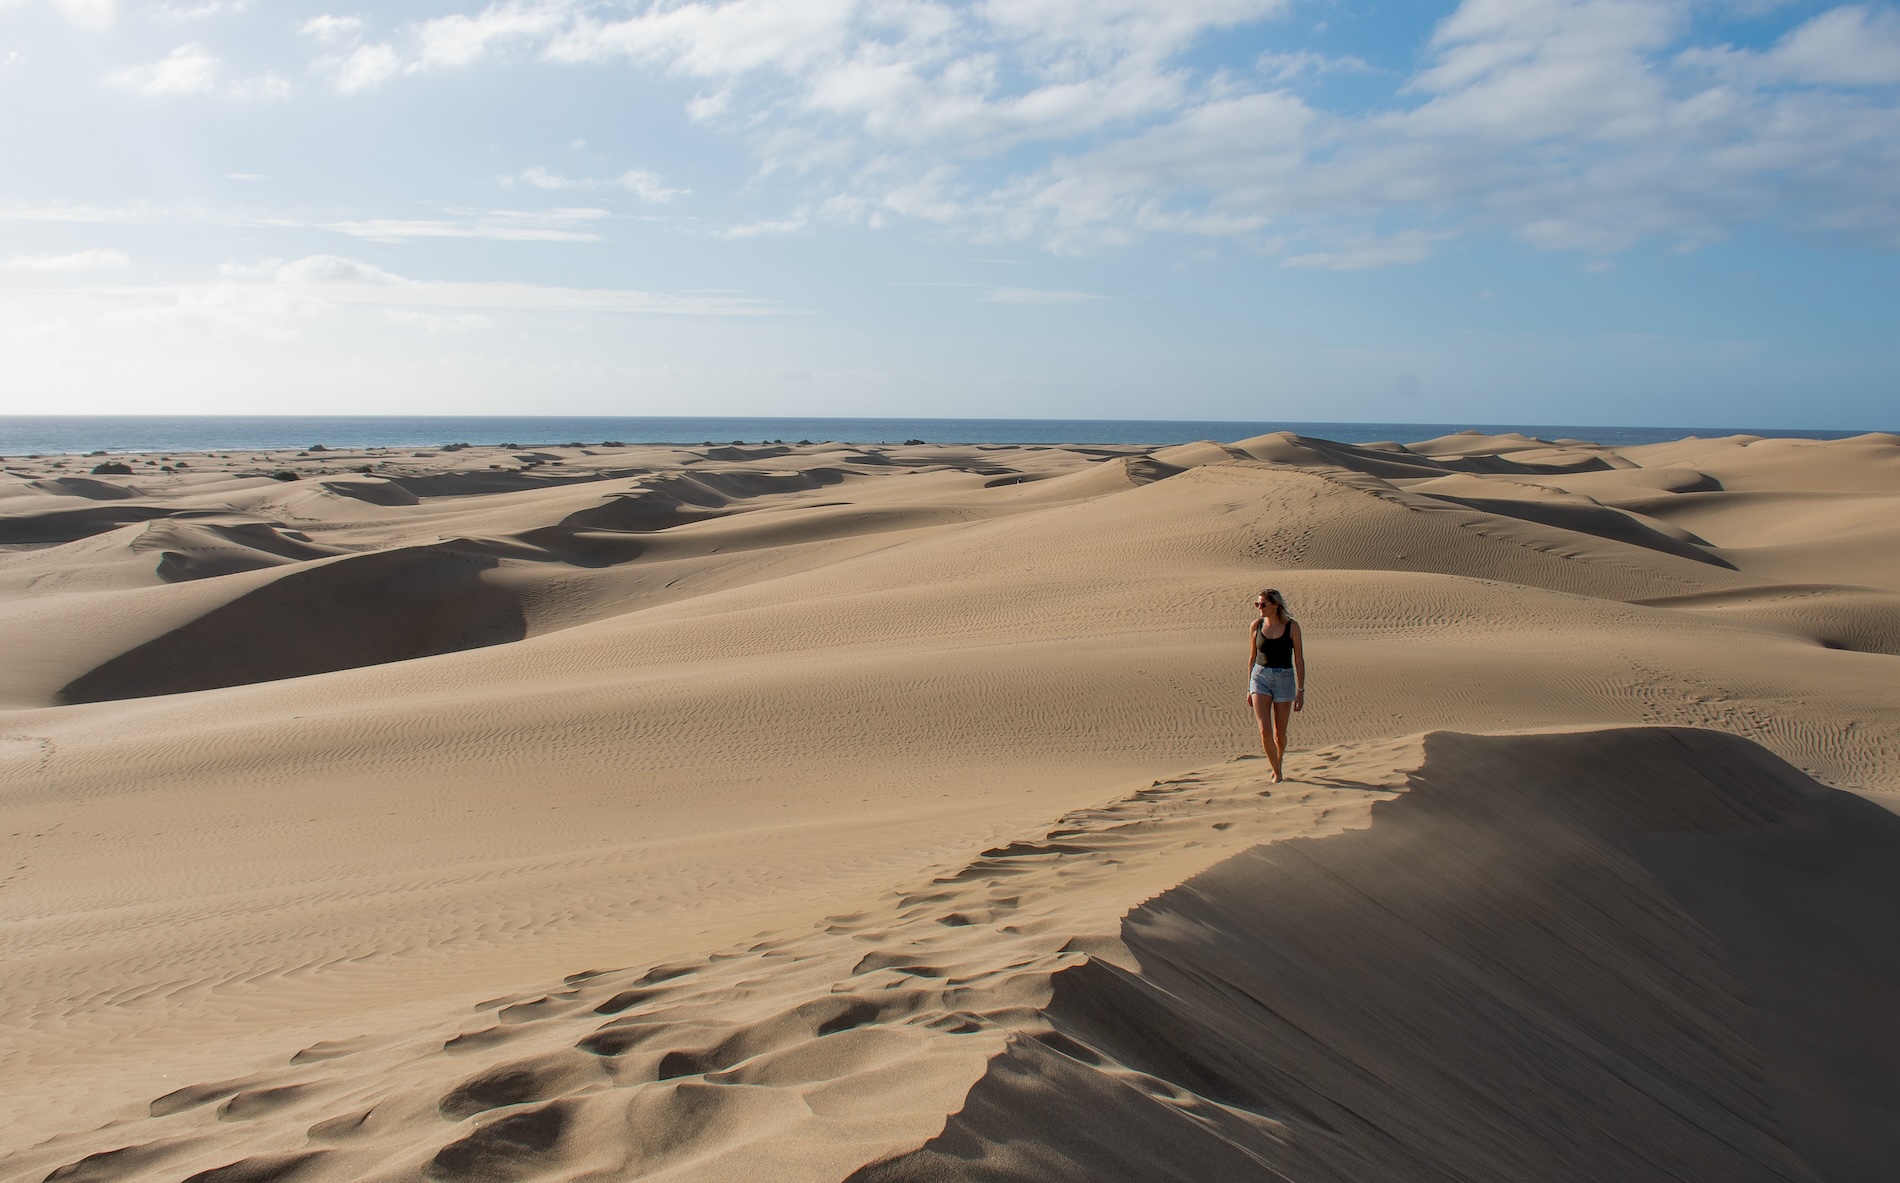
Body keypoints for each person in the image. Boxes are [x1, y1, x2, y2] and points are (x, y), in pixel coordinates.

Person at [1246, 588, 1306, 782]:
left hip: (1284, 679)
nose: (1259, 608)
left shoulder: (1292, 627)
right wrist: (1249, 687)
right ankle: (1278, 773)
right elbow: (1252, 657)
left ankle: (1278, 762)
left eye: (1263, 604)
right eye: (1258, 604)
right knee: (1265, 730)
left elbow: (1299, 659)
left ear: (1276, 605)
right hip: (1260, 677)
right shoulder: (1255, 626)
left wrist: (1301, 690)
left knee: (1280, 734)